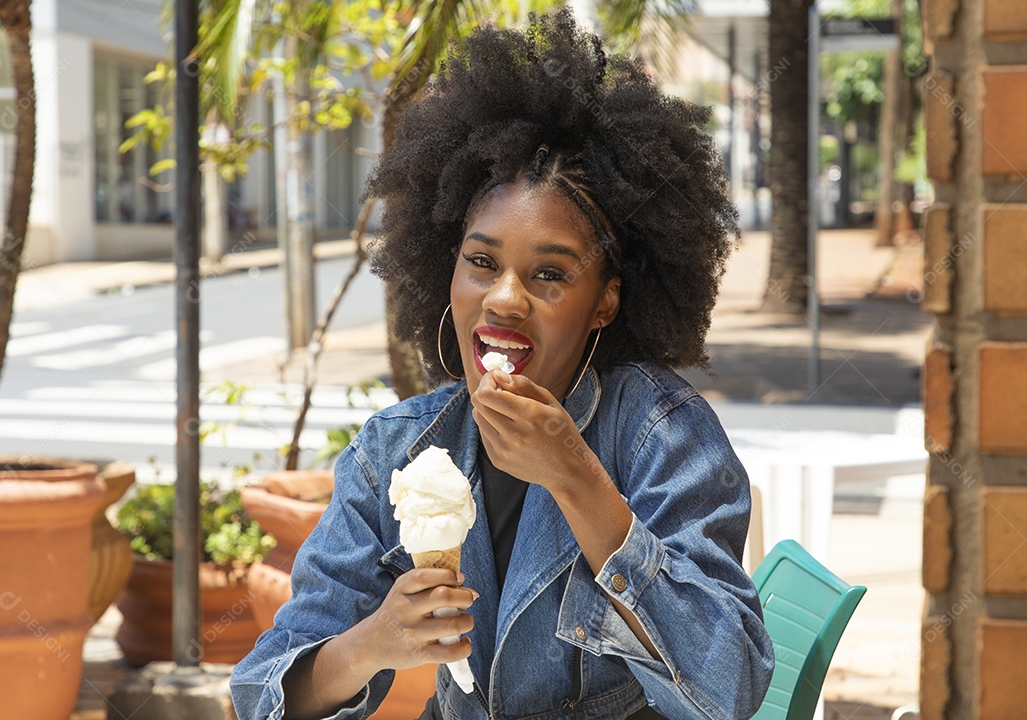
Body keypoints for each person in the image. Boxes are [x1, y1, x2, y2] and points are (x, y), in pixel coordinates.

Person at [231, 9, 774, 720]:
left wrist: (576, 477)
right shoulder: (396, 450)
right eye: (481, 262)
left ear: (605, 301)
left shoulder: (657, 434)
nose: (505, 300)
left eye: (550, 275)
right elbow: (260, 696)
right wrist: (371, 643)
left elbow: (728, 687)